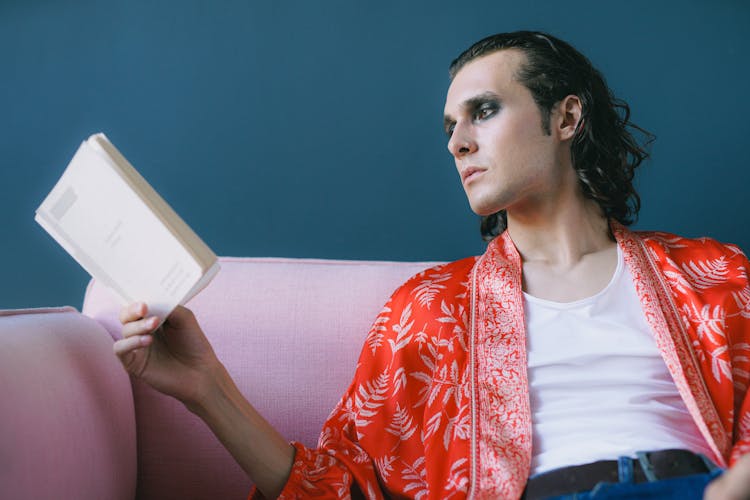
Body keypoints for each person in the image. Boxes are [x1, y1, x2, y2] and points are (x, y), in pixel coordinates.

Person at [115, 31, 750, 499]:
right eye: (449, 125)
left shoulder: (712, 274)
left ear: (567, 116)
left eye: (484, 111)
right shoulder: (430, 307)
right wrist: (206, 387)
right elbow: (339, 486)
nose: (457, 142)